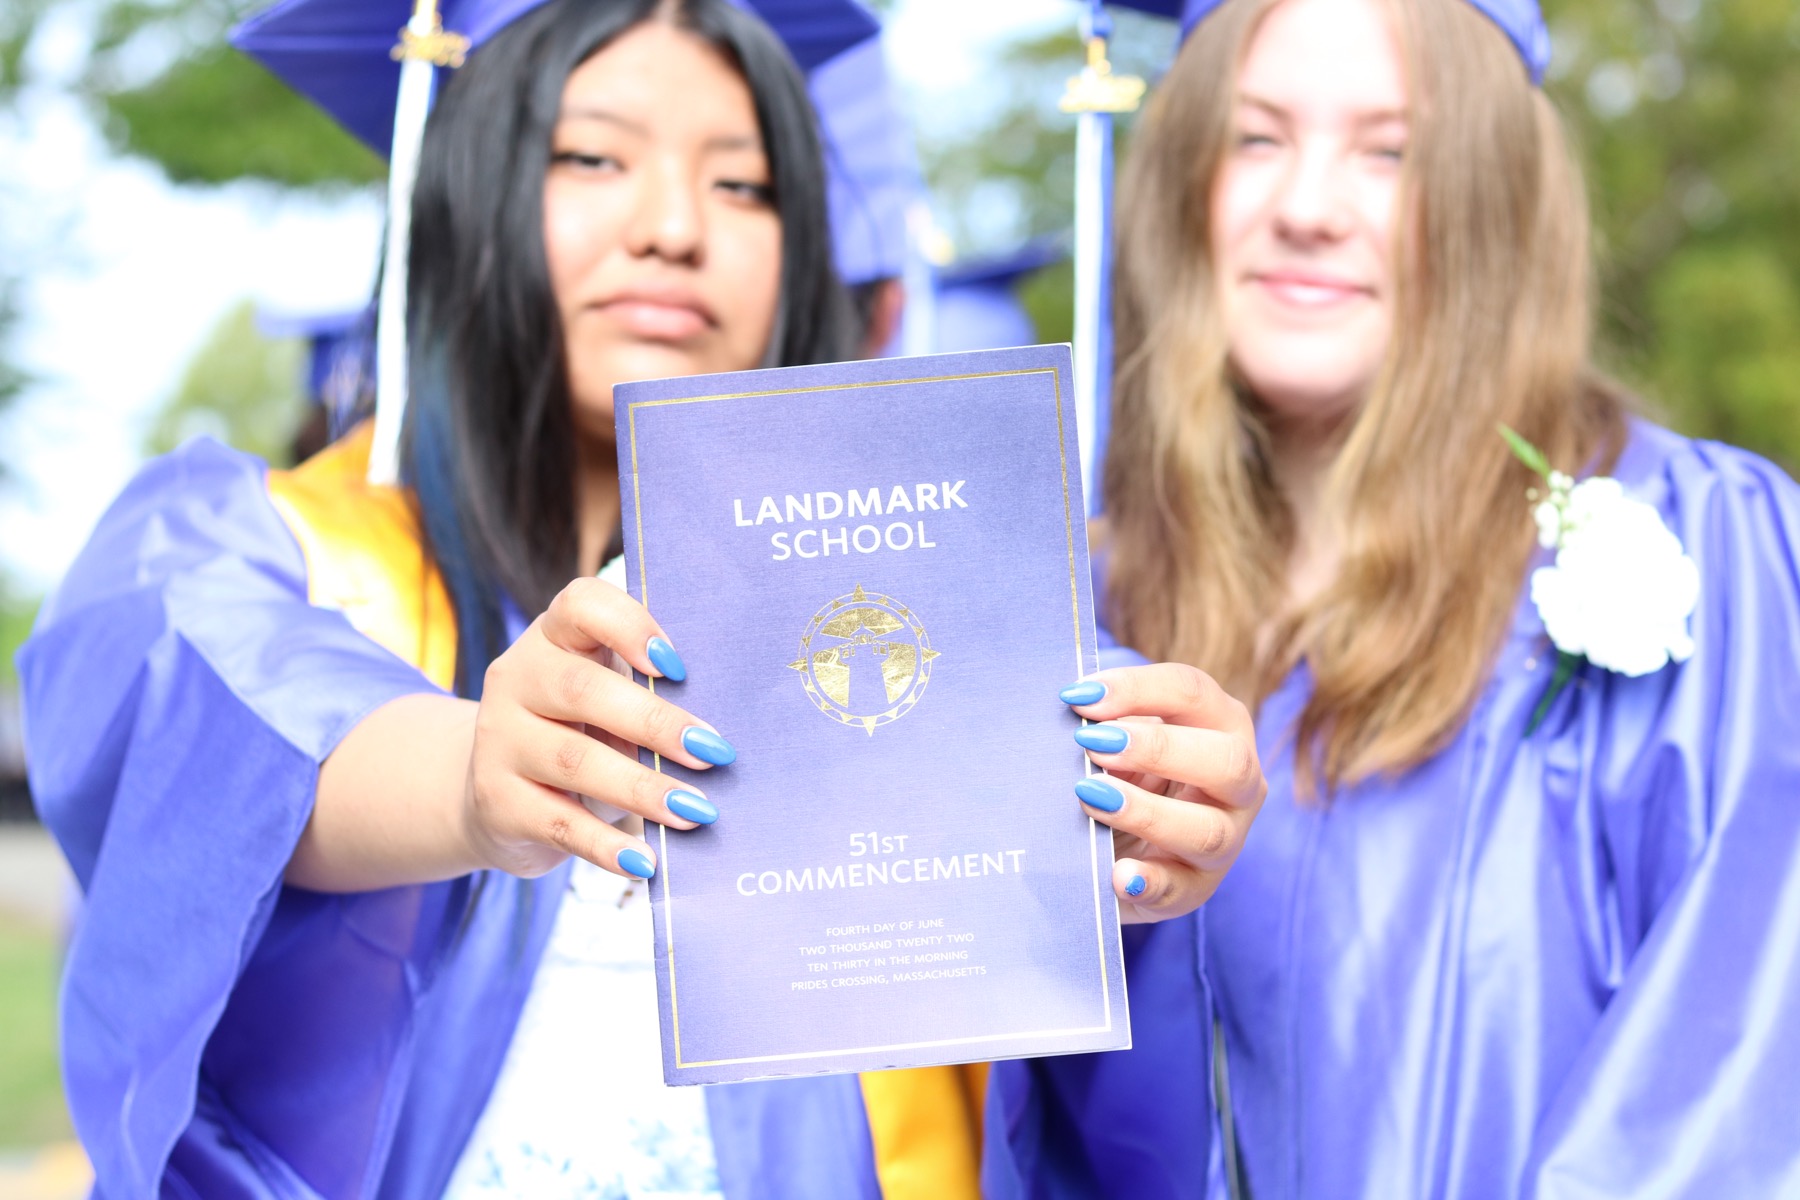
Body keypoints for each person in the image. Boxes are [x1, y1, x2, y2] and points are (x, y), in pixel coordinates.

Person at [20, 0, 1265, 1196]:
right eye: (593, 158)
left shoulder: (918, 601)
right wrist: (474, 779)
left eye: (743, 183)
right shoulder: (263, 549)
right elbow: (222, 699)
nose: (675, 225)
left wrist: (1153, 820)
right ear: (461, 194)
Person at [987, 0, 1800, 1196]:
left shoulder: (1703, 548)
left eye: (1392, 151)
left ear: (1492, 196)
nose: (1307, 208)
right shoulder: (1086, 613)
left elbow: (1735, 1079)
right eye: (1256, 139)